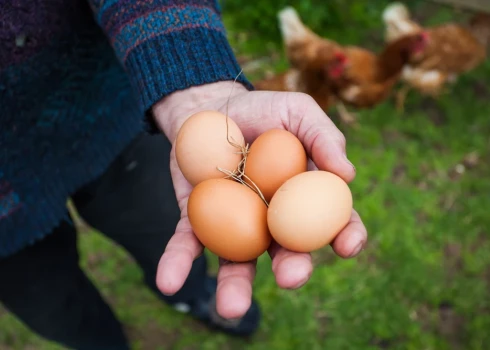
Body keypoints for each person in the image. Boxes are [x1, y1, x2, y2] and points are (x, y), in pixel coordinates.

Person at [0, 1, 368, 349]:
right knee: (50, 300)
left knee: (160, 226)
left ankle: (192, 296)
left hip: (106, 118)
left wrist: (189, 72)